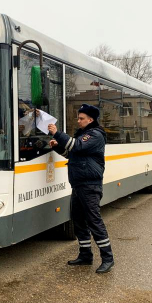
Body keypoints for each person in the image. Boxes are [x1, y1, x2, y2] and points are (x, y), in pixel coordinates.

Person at [47, 104, 114, 273]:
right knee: (78, 221)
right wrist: (57, 147)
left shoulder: (95, 135)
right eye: (78, 118)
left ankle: (108, 258)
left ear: (90, 120)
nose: (78, 121)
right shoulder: (84, 135)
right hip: (78, 185)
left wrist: (57, 133)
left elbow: (76, 146)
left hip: (90, 186)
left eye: (81, 118)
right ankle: (85, 255)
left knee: (94, 221)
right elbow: (72, 153)